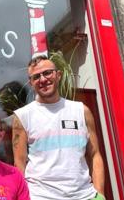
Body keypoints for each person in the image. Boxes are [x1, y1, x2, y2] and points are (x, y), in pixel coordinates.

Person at [12, 55, 105, 200]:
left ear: (58, 75)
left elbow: (95, 154)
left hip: (85, 195)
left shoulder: (81, 110)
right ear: (31, 83)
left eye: (47, 72)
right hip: (41, 196)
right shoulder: (22, 116)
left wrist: (99, 193)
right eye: (36, 77)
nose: (43, 79)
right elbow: (19, 163)